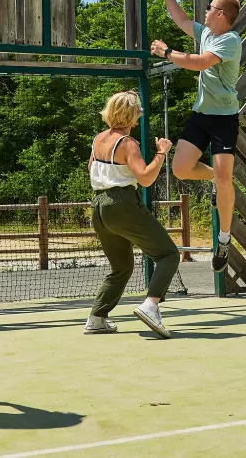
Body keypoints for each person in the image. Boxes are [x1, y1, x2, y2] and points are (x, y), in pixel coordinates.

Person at [150, 0, 242, 274]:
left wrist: (167, 52)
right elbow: (181, 19)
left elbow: (200, 63)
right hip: (201, 115)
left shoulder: (230, 40)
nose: (205, 10)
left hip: (224, 118)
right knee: (180, 169)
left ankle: (224, 240)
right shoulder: (205, 33)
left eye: (209, 6)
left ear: (221, 14)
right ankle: (216, 176)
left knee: (226, 181)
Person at [86, 91, 179, 338]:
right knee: (169, 254)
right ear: (132, 114)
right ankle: (151, 305)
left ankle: (97, 318)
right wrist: (162, 153)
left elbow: (91, 169)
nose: (140, 114)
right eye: (138, 110)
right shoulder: (128, 143)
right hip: (122, 204)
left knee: (122, 266)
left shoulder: (98, 140)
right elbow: (146, 178)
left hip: (98, 206)